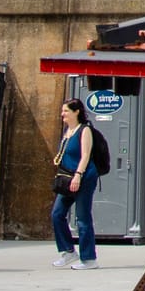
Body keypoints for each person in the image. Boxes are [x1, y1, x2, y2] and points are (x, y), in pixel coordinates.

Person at [52, 99, 102, 270]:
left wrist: (78, 176)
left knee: (82, 217)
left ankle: (89, 259)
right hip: (67, 178)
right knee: (57, 214)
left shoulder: (84, 130)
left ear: (76, 112)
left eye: (66, 111)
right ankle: (68, 251)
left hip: (83, 177)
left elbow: (85, 155)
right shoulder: (68, 131)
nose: (62, 114)